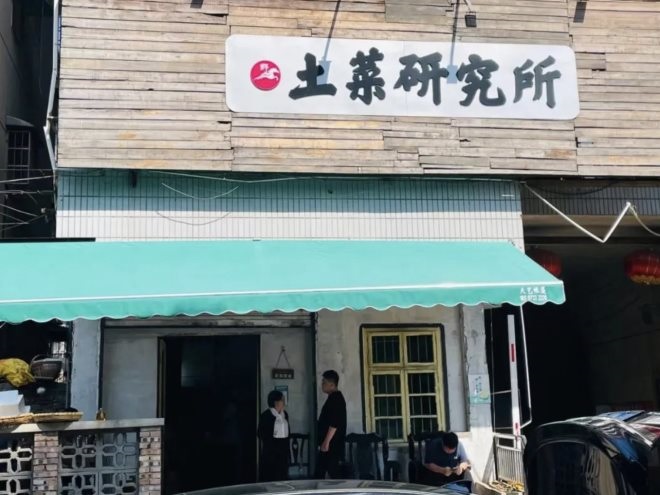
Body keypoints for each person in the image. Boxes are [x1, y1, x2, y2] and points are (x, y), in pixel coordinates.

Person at [315, 370, 347, 479]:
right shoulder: (333, 398)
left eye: (324, 382)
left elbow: (334, 423)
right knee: (323, 473)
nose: (322, 385)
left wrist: (326, 442)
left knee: (330, 474)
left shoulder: (336, 399)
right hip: (330, 445)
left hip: (332, 445)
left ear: (332, 385)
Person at [258, 390, 290, 481]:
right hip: (271, 452)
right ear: (276, 402)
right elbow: (260, 433)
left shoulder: (285, 414)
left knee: (282, 476)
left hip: (283, 451)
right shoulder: (266, 415)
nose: (284, 402)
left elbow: (288, 433)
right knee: (270, 476)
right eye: (282, 400)